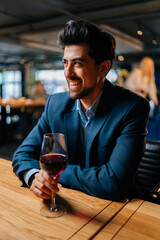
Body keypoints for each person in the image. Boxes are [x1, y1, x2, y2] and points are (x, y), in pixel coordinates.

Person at [12, 20, 150, 201]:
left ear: (103, 68)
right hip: (68, 201)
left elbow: (113, 182)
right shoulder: (55, 104)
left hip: (118, 209)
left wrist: (54, 172)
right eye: (65, 63)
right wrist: (33, 177)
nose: (67, 73)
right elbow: (22, 154)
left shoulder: (132, 108)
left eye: (77, 63)